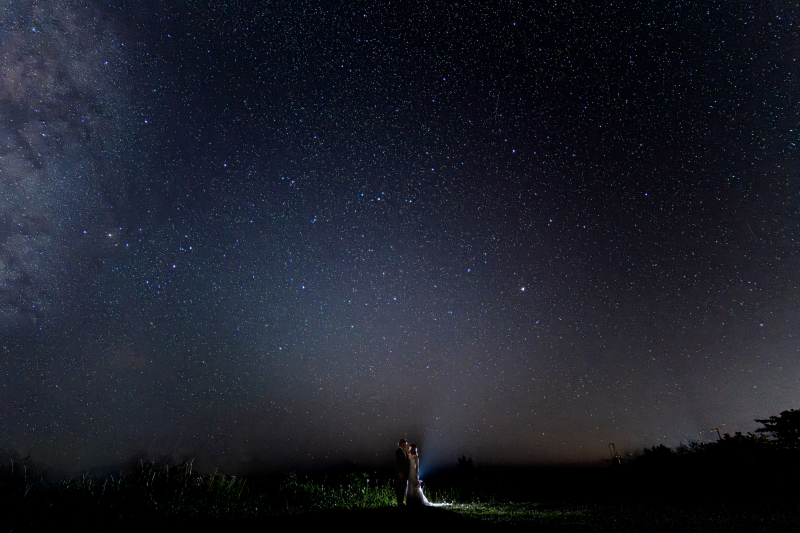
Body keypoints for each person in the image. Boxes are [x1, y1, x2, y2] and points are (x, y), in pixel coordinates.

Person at [394, 438, 410, 506]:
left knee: (403, 486)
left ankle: (401, 501)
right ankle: (399, 501)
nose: (406, 445)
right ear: (402, 443)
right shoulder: (398, 452)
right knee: (400, 486)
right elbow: (398, 462)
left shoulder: (404, 452)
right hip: (401, 472)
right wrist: (400, 472)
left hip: (405, 472)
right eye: (405, 443)